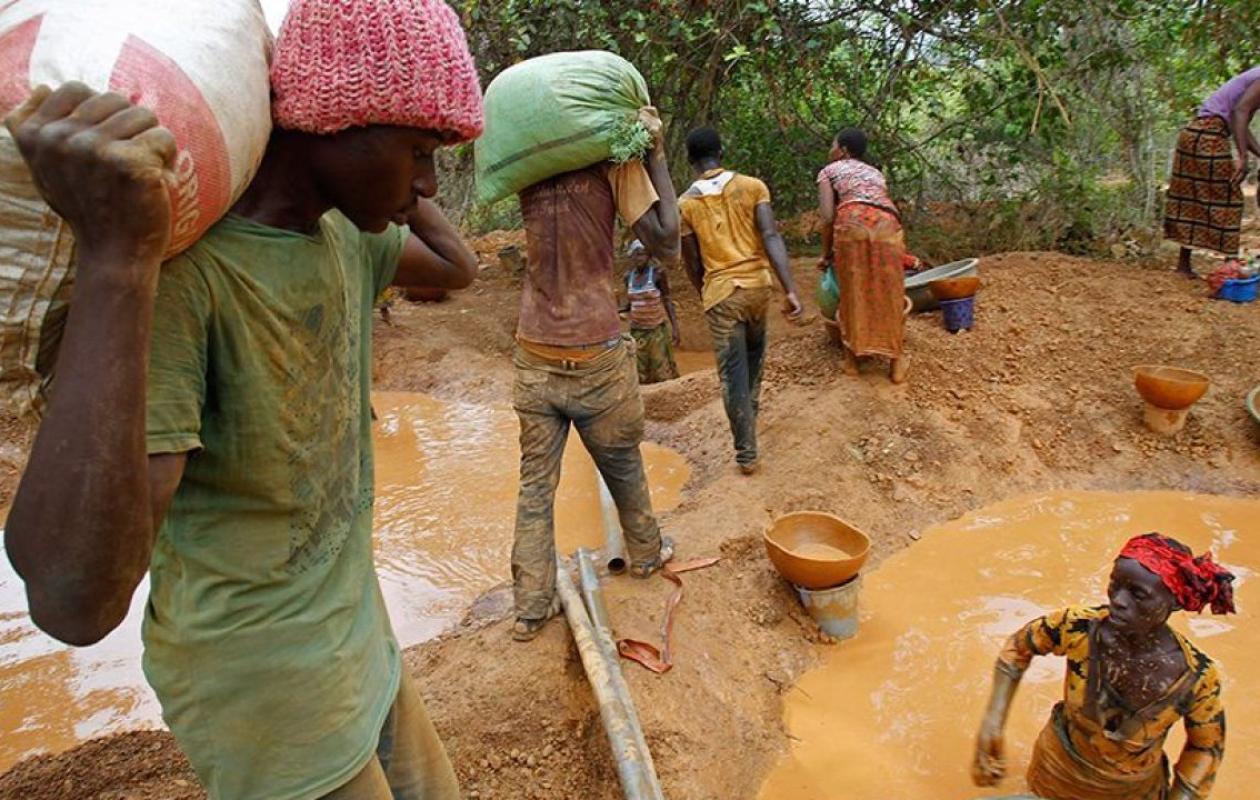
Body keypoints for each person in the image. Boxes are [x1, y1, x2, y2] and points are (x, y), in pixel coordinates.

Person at [3, 1, 483, 798]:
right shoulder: (183, 285)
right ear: (335, 122)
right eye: (419, 152)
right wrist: (119, 258)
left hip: (358, 637)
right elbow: (74, 604)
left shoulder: (345, 237)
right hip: (265, 687)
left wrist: (385, 154)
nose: (429, 183)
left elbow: (456, 264)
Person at [510, 106, 680, 642]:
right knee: (623, 464)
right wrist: (656, 156)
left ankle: (531, 607)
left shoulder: (530, 173)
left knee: (535, 486)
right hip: (596, 352)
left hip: (534, 349)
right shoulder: (615, 169)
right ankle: (648, 556)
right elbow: (668, 243)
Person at [972, 533, 1234, 800]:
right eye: (1115, 584)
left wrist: (1182, 796)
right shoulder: (1079, 628)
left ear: (1175, 602)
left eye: (1138, 594)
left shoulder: (1195, 677)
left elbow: (1205, 747)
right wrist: (992, 722)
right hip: (1054, 775)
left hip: (1132, 793)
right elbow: (1019, 647)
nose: (1118, 600)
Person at [678, 127, 802, 476]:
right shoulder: (753, 186)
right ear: (722, 150)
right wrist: (789, 288)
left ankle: (746, 453)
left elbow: (692, 261)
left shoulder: (685, 204)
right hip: (758, 287)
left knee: (733, 372)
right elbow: (771, 235)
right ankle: (750, 422)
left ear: (690, 161)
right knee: (754, 357)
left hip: (722, 294)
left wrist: (705, 291)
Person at [816, 127, 909, 384]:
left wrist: (826, 255)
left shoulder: (828, 171)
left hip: (853, 223)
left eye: (832, 144)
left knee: (852, 290)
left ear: (843, 150)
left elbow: (826, 217)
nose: (830, 150)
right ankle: (896, 362)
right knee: (890, 291)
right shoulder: (876, 173)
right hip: (888, 225)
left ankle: (851, 360)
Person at [1165, 66, 1260, 275]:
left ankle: (1184, 264)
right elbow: (1239, 112)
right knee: (1230, 195)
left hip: (1193, 134)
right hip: (1208, 135)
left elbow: (1241, 122)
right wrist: (1242, 157)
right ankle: (1231, 267)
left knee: (1189, 197)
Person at [623, 239, 680, 384]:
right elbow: (631, 303)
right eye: (636, 255)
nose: (639, 258)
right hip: (637, 331)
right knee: (639, 373)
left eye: (642, 254)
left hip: (656, 331)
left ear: (649, 256)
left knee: (661, 372)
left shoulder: (658, 274)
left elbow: (667, 300)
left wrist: (675, 328)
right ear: (631, 257)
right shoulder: (628, 277)